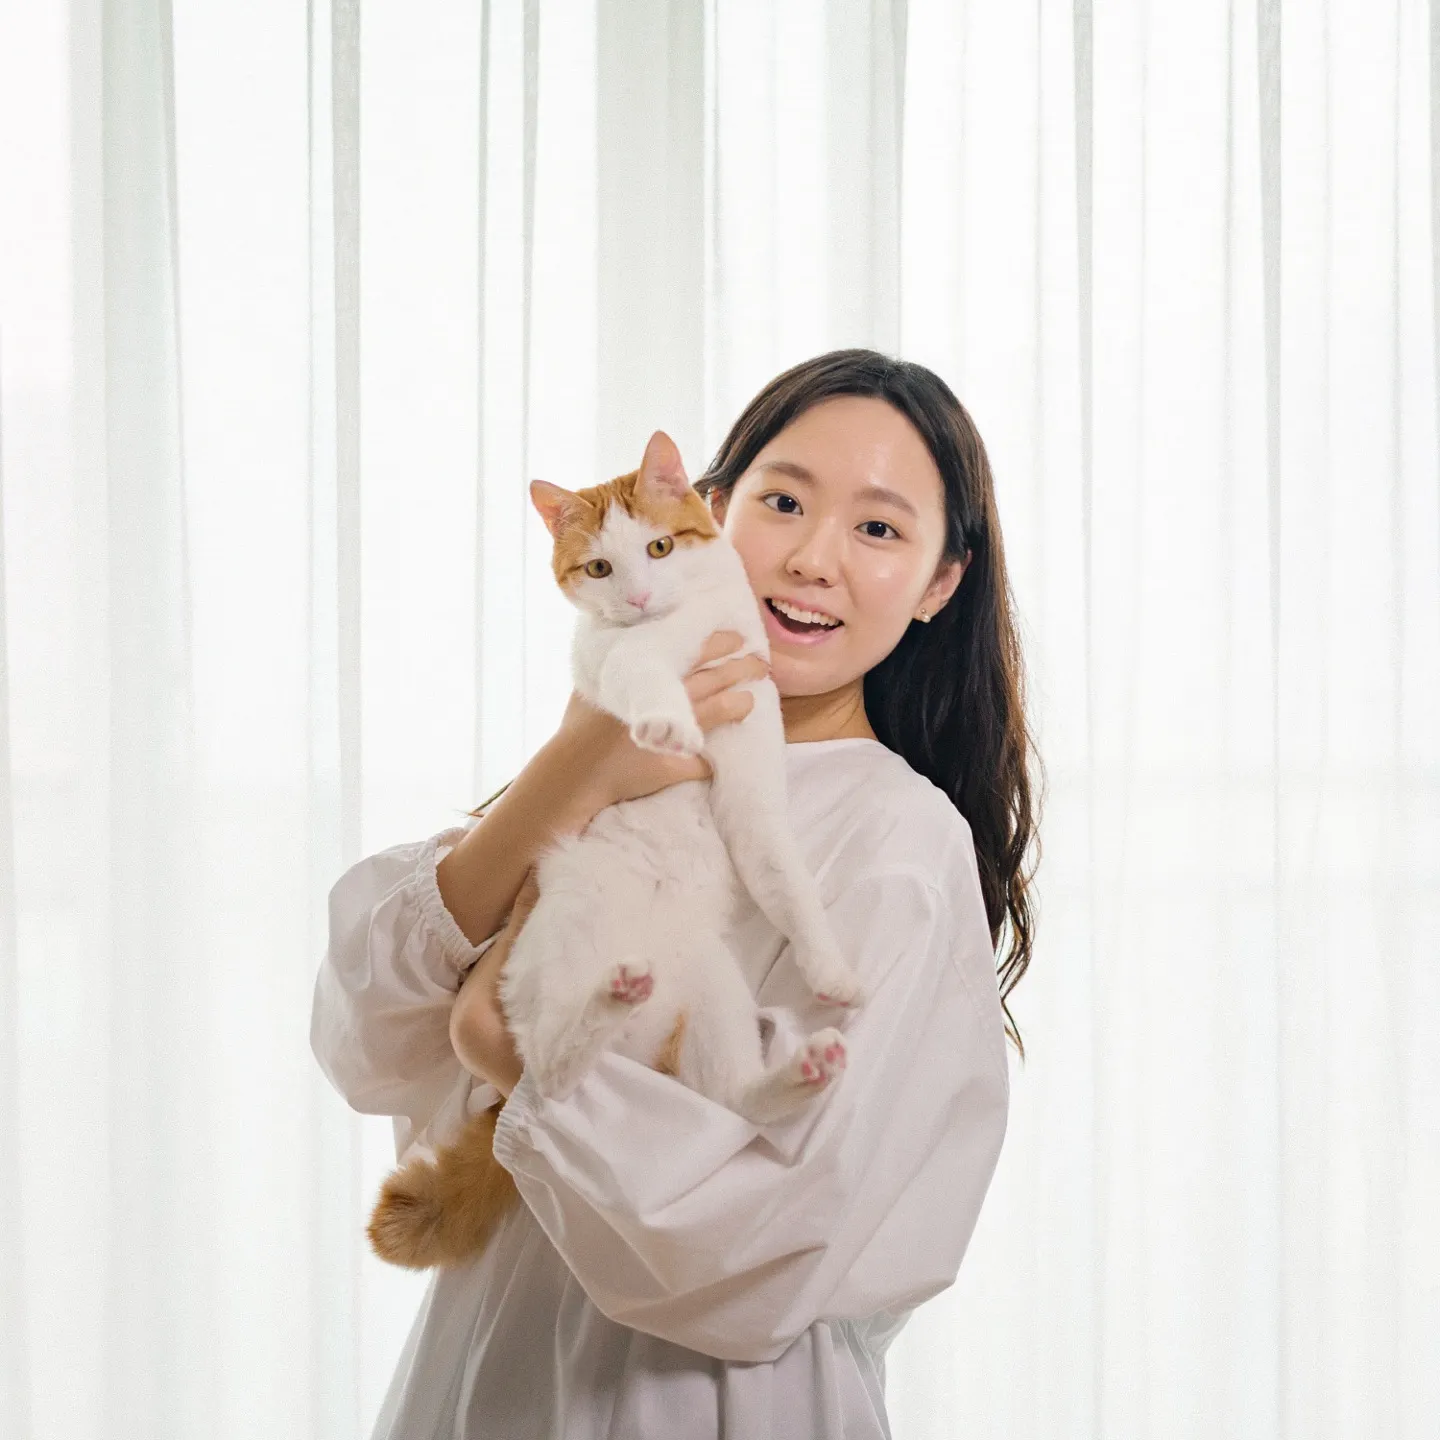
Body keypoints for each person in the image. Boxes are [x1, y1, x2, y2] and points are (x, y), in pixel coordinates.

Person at [310, 347, 1040, 1439]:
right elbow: (364, 1039)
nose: (813, 559)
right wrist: (572, 772)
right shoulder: (619, 742)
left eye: (879, 529)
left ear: (942, 583)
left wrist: (513, 1056)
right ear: (710, 509)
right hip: (489, 1367)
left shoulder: (899, 838)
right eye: (783, 502)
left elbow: (770, 1242)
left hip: (704, 1401)